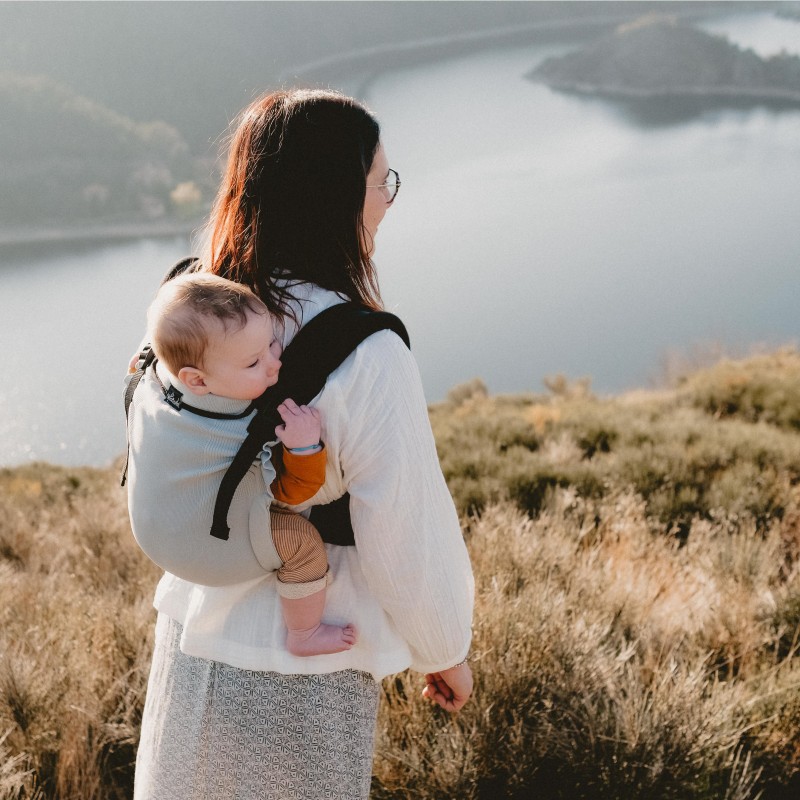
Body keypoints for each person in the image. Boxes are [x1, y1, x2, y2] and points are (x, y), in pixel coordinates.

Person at [134, 89, 474, 800]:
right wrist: (443, 648)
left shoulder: (191, 309)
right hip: (307, 667)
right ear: (333, 199)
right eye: (382, 181)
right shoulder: (365, 351)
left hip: (192, 639)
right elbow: (403, 528)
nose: (388, 198)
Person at [128, 270, 357, 657]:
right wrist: (303, 449)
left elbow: (142, 355)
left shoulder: (151, 375)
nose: (273, 365)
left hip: (150, 529)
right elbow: (290, 493)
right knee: (302, 543)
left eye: (272, 343)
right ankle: (303, 634)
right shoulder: (239, 429)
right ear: (197, 380)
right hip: (207, 555)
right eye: (253, 363)